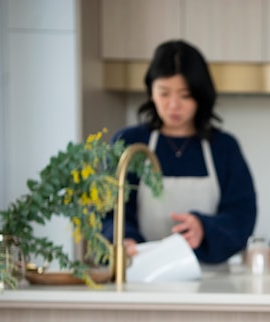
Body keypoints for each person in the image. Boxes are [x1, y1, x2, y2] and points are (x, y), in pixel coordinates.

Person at [101, 40, 257, 264]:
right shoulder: (129, 143)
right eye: (164, 93)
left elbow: (242, 216)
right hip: (139, 272)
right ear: (151, 91)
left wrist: (205, 228)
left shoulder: (223, 147)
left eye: (185, 95)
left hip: (210, 279)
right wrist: (123, 239)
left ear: (201, 96)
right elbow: (109, 211)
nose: (173, 105)